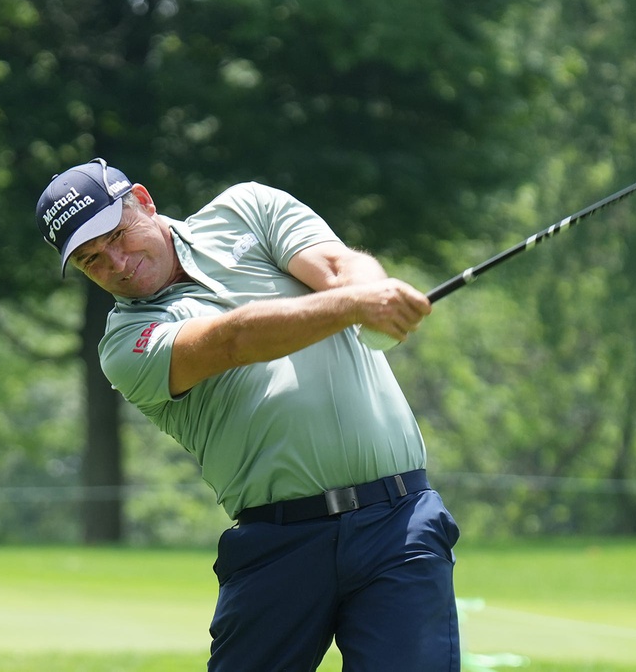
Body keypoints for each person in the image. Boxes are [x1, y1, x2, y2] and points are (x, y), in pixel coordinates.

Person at [36, 158, 461, 671]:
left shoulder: (248, 209)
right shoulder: (124, 344)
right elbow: (232, 340)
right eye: (92, 261)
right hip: (278, 545)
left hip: (398, 522)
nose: (118, 264)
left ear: (144, 201)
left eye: (118, 236)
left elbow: (338, 268)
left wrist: (372, 292)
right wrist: (354, 306)